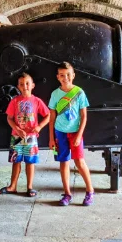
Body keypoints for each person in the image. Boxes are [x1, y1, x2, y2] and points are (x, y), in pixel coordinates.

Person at [0, 72, 50, 198]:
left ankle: (30, 187)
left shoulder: (36, 101)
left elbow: (48, 116)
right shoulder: (14, 101)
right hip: (16, 136)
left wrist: (39, 127)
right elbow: (9, 118)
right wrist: (17, 129)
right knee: (16, 161)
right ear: (18, 87)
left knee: (30, 162)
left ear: (32, 85)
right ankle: (13, 186)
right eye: (21, 84)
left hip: (31, 137)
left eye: (27, 83)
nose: (24, 86)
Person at [48, 61, 95, 206]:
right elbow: (52, 117)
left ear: (73, 75)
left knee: (80, 162)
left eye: (68, 74)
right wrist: (51, 138)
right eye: (62, 75)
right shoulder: (55, 94)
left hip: (75, 133)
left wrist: (79, 135)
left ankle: (90, 191)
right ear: (58, 77)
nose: (65, 78)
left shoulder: (79, 93)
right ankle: (67, 194)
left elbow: (84, 116)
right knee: (64, 162)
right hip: (60, 132)